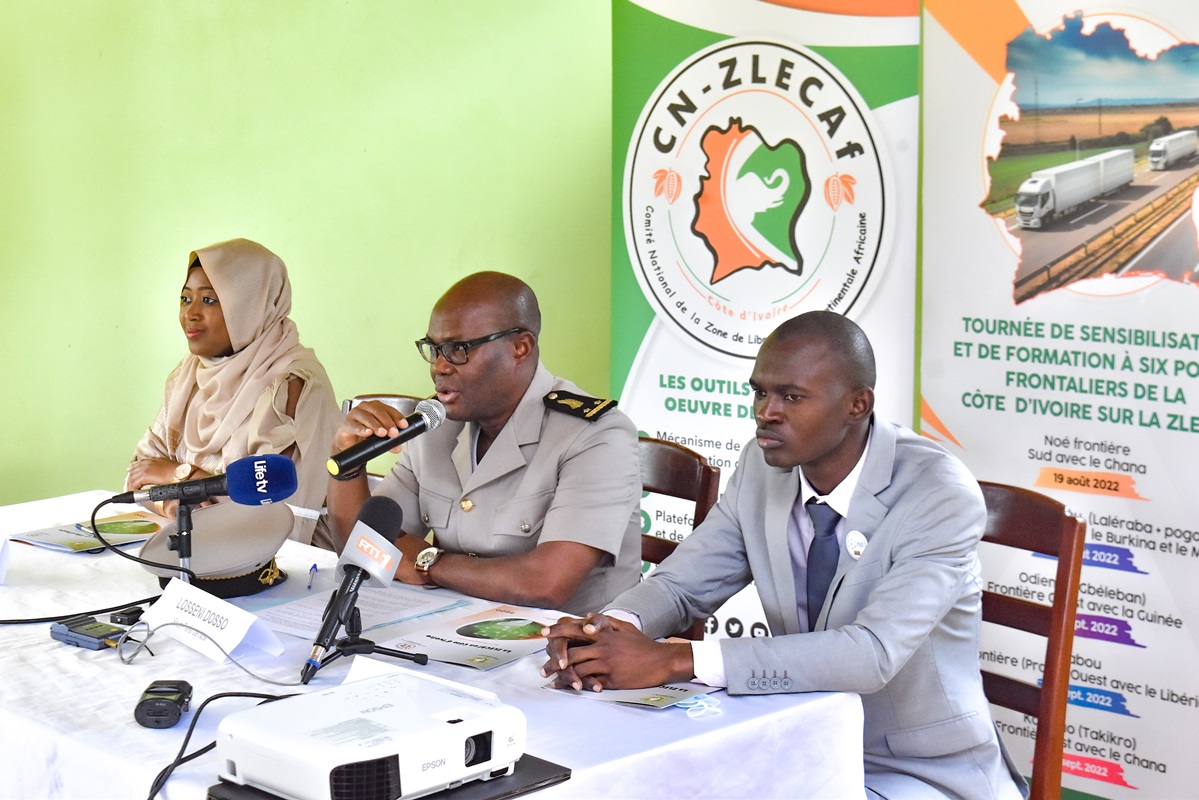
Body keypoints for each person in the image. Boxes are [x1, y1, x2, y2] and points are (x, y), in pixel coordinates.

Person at [541, 311, 1026, 800]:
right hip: (796, 742)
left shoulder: (938, 492)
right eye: (760, 392)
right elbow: (683, 584)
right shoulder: (762, 465)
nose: (766, 412)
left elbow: (873, 654)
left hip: (916, 769)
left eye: (791, 396)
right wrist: (607, 631)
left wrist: (676, 660)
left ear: (857, 405)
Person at [326, 271, 641, 616]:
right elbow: (365, 551)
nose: (439, 367)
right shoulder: (435, 426)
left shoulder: (595, 435)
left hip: (566, 640)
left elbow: (546, 583)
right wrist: (348, 464)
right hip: (448, 626)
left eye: (458, 349)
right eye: (434, 349)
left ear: (520, 348)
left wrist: (426, 562)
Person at [126, 238, 343, 548]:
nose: (191, 313)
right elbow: (138, 475)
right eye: (185, 298)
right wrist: (176, 504)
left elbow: (268, 511)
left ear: (251, 305)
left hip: (288, 563)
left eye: (209, 300)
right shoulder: (190, 375)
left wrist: (181, 476)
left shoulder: (291, 383)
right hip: (205, 544)